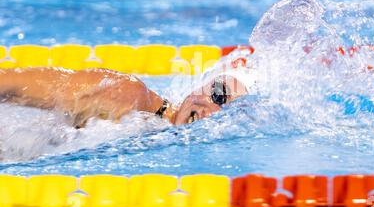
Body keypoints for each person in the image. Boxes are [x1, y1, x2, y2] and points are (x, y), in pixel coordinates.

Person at [0, 67, 250, 128]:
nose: (211, 107)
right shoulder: (128, 94)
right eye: (218, 94)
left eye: (228, 111)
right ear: (202, 86)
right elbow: (9, 83)